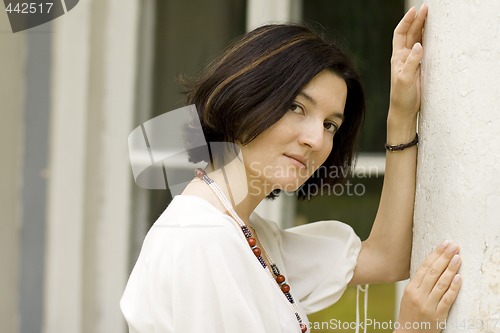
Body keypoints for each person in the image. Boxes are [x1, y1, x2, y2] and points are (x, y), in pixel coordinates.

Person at [121, 4, 462, 333]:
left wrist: (402, 116)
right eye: (297, 107)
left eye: (330, 125)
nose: (316, 139)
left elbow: (386, 258)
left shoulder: (248, 235)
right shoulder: (203, 241)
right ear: (245, 99)